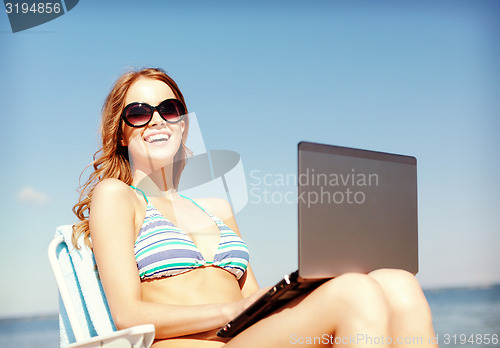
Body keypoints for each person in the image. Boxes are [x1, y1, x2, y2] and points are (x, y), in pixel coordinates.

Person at [72, 67, 437, 347]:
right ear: (121, 132)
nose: (156, 120)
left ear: (183, 125)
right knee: (354, 292)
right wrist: (230, 312)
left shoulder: (217, 207)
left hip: (244, 337)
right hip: (191, 344)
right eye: (138, 112)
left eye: (169, 109)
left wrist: (296, 289)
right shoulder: (118, 196)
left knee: (397, 282)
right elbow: (128, 316)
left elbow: (252, 299)